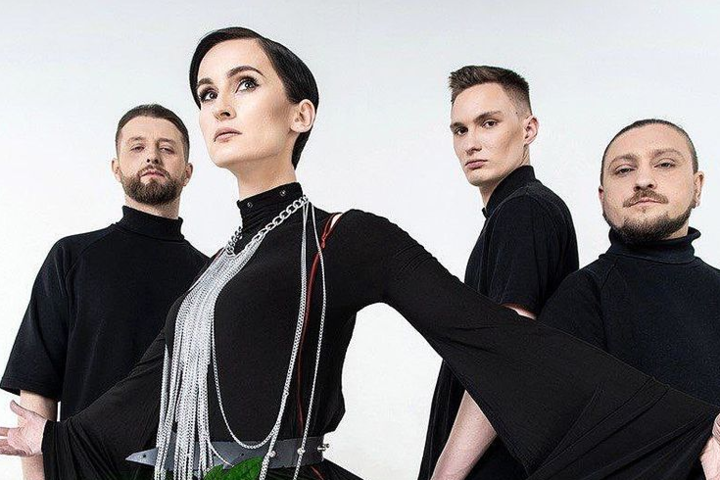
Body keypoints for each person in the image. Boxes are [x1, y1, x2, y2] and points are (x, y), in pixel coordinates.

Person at [0, 27, 719, 480]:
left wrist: (684, 431)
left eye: (244, 84)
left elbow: (492, 334)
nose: (219, 105)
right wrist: (55, 437)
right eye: (207, 92)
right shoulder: (216, 267)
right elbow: (152, 386)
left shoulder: (343, 237)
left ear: (300, 114)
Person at [0, 104, 207, 479]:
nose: (152, 156)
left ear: (188, 172)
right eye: (137, 146)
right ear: (116, 167)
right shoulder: (72, 257)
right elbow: (37, 388)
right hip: (80, 471)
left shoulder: (209, 276)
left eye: (167, 148)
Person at [420, 66, 578, 480]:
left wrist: (444, 475)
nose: (471, 142)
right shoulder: (516, 212)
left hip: (497, 463)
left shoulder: (524, 210)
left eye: (488, 123)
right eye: (460, 130)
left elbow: (505, 354)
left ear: (528, 129)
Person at [540, 119, 720, 480]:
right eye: (624, 170)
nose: (643, 180)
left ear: (697, 187)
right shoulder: (582, 296)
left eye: (665, 164)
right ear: (602, 197)